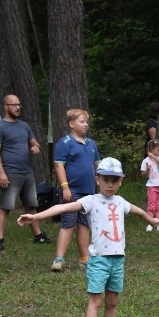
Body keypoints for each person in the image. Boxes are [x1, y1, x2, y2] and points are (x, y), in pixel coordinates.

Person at [18, 158, 159, 317]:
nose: (110, 184)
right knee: (95, 301)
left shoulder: (120, 202)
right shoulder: (91, 201)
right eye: (106, 179)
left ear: (120, 181)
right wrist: (36, 217)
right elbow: (63, 208)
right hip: (99, 261)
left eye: (115, 180)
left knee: (112, 302)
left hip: (117, 259)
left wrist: (152, 220)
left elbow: (138, 211)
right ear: (97, 179)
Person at [0, 94, 51, 251]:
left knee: (31, 205)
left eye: (19, 104)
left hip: (27, 172)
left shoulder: (24, 126)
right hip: (10, 172)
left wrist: (35, 146)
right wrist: (1, 173)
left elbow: (34, 142)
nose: (17, 107)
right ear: (5, 107)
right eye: (13, 105)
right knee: (6, 207)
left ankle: (38, 236)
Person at [50, 109, 100, 272]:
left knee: (84, 225)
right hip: (71, 192)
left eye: (86, 122)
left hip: (89, 192)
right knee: (68, 224)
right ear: (72, 124)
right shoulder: (64, 143)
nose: (85, 124)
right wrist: (65, 187)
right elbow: (59, 166)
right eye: (81, 121)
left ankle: (84, 259)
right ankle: (59, 259)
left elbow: (97, 166)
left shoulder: (91, 144)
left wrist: (100, 183)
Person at [140, 139, 159, 231]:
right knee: (151, 205)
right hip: (152, 186)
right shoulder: (146, 161)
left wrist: (153, 156)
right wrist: (147, 169)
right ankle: (150, 223)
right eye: (157, 150)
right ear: (151, 149)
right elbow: (143, 174)